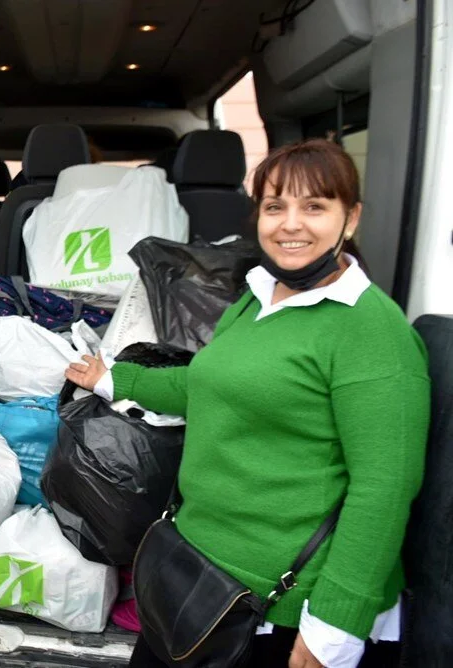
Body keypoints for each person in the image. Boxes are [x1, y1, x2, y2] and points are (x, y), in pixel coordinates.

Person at [67, 139, 429, 668]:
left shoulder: (372, 331)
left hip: (273, 607)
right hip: (194, 569)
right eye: (275, 206)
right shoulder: (259, 296)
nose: (290, 224)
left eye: (314, 206)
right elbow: (209, 384)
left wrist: (336, 626)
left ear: (350, 218)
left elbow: (385, 489)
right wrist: (117, 380)